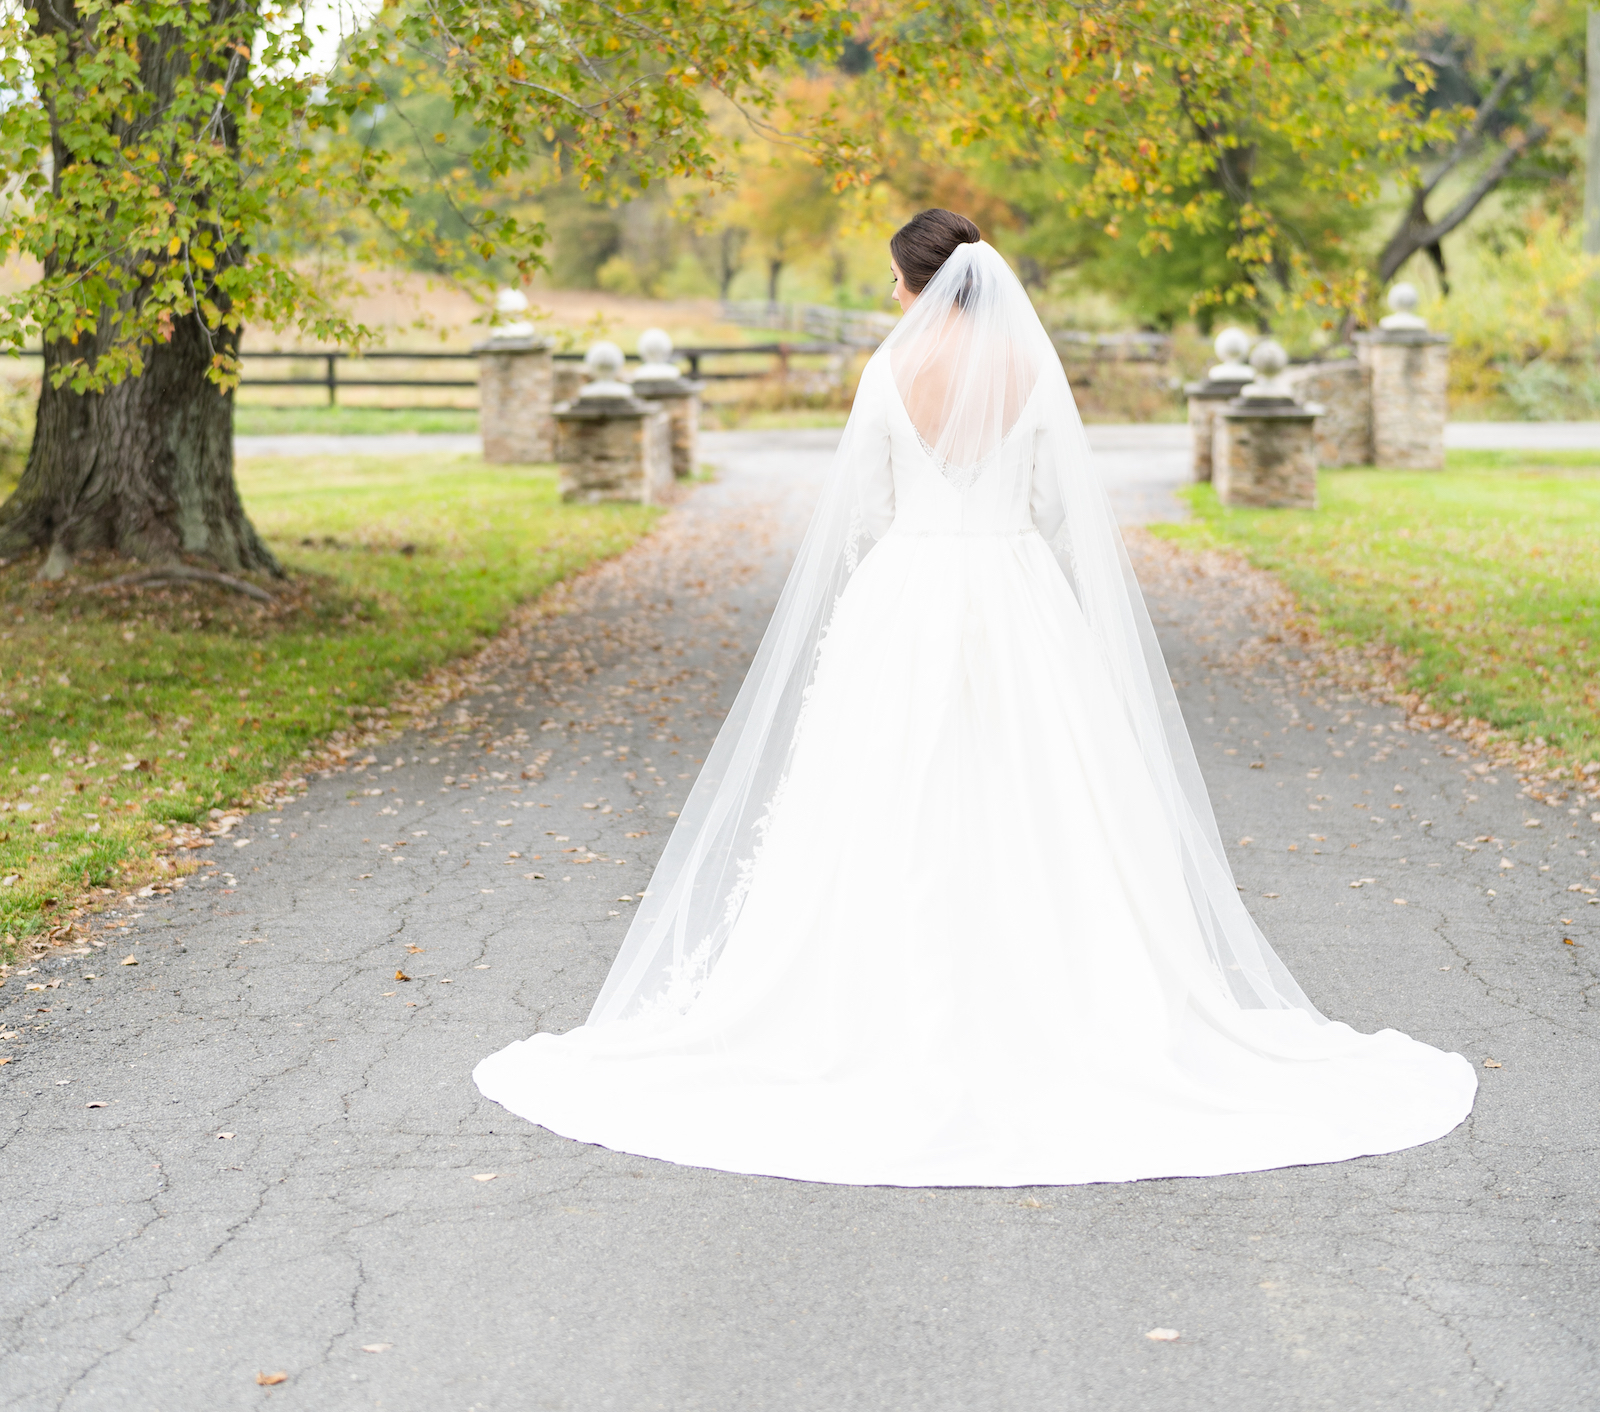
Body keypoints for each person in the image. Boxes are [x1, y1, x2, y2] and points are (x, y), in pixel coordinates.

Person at [475, 213, 1475, 1185]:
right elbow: (1050, 503)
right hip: (1014, 591)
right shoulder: (1029, 370)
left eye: (891, 280)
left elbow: (864, 508)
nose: (886, 295)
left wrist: (904, 560)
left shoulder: (886, 372)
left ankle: (870, 1004)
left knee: (885, 795)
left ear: (919, 284)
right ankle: (1070, 999)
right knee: (1040, 794)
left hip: (906, 593)